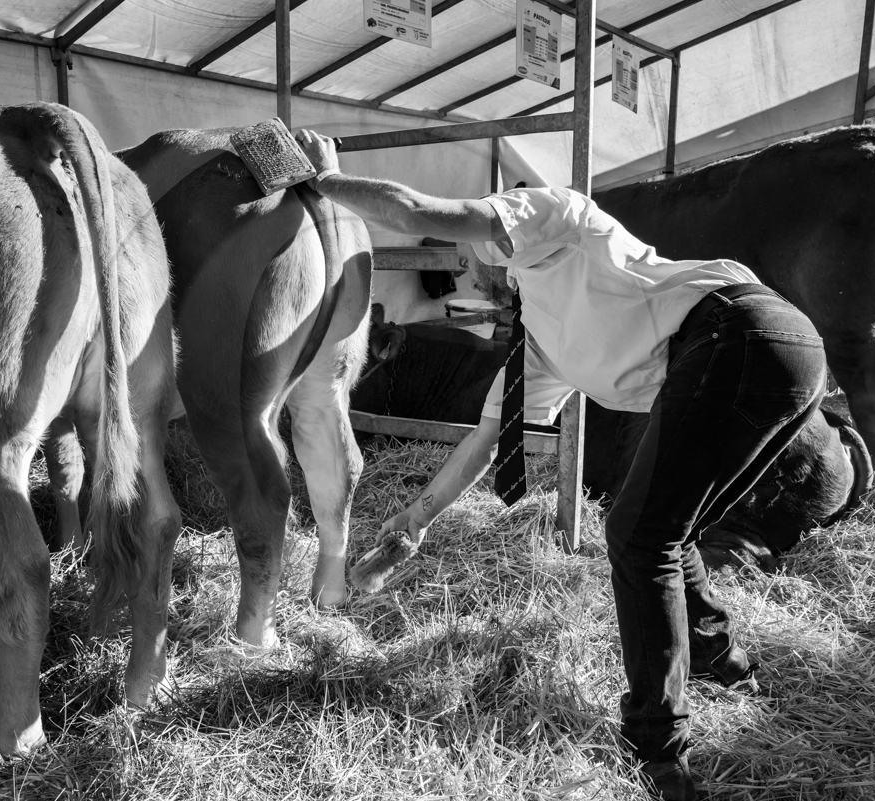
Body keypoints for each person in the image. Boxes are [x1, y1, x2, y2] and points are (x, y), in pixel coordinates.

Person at [295, 130, 828, 800]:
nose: (475, 266)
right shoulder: (541, 341)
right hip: (765, 359)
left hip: (740, 332)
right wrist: (416, 519)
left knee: (639, 536)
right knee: (669, 526)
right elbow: (487, 438)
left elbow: (422, 211)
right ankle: (725, 661)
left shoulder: (553, 214)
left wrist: (327, 181)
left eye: (481, 245)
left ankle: (658, 752)